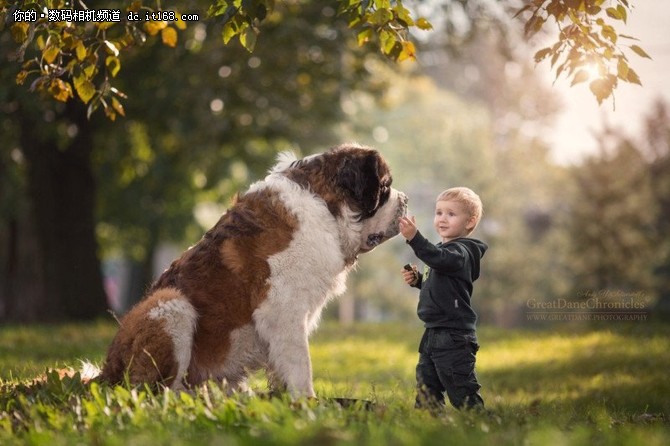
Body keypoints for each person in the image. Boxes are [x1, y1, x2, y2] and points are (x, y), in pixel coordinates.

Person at [399, 186, 487, 411]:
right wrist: (418, 280)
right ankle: (433, 428)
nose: (442, 219)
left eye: (451, 214)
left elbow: (441, 260)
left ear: (469, 222)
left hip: (453, 335)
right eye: (439, 212)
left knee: (462, 391)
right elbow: (441, 282)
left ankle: (481, 425)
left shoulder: (463, 251)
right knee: (427, 389)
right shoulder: (443, 251)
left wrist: (415, 239)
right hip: (433, 332)